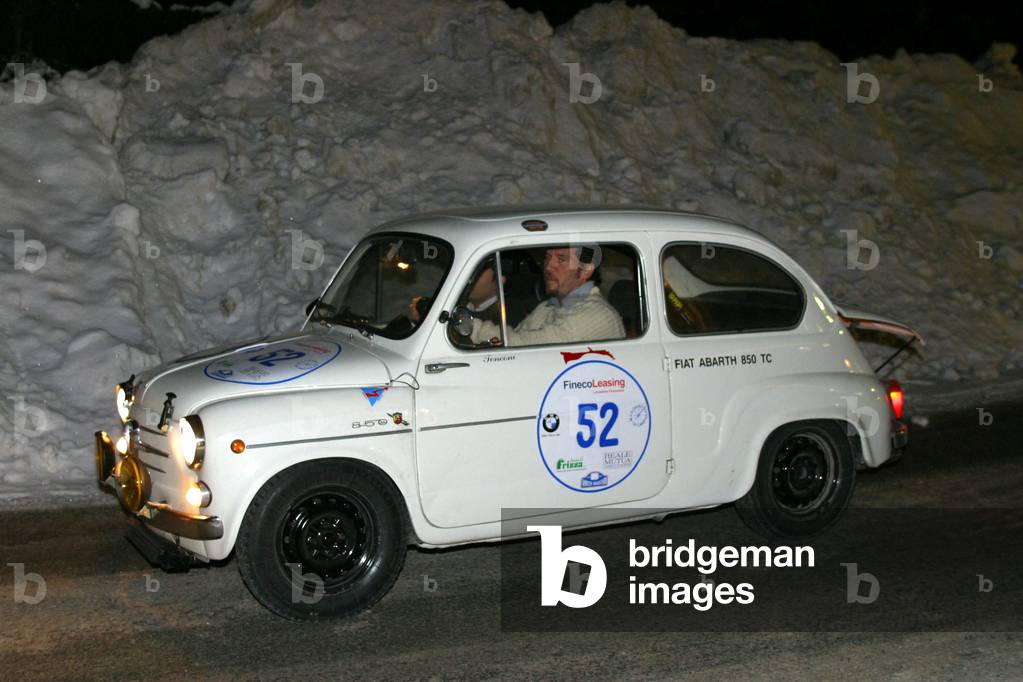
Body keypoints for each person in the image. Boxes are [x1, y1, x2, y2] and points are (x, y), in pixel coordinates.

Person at [469, 245, 624, 347]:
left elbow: (522, 345)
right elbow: (514, 341)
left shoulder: (596, 316)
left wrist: (469, 327)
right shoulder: (547, 308)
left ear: (585, 271)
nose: (548, 266)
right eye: (547, 257)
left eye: (561, 259)